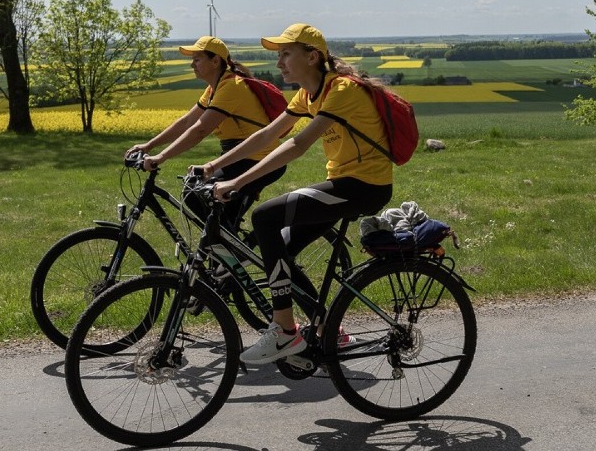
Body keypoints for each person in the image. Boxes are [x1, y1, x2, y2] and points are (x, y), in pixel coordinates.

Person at [207, 23, 394, 365]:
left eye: (286, 54)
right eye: (278, 54)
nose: (279, 62)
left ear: (312, 57)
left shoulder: (342, 90)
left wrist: (237, 182)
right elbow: (268, 135)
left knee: (264, 217)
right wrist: (215, 165)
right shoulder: (308, 93)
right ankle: (326, 327)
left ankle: (284, 331)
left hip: (364, 188)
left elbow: (298, 143)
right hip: (343, 185)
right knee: (278, 251)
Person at [125, 35, 286, 230]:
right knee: (216, 215)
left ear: (215, 61)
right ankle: (224, 250)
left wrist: (160, 157)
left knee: (194, 192)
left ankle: (226, 250)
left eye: (197, 59)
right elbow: (186, 122)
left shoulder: (231, 87)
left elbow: (199, 130)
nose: (192, 64)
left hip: (259, 158)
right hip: (239, 157)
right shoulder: (215, 88)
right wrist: (149, 145)